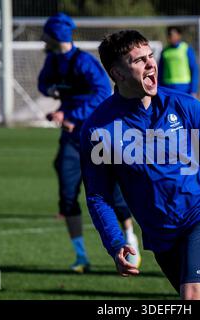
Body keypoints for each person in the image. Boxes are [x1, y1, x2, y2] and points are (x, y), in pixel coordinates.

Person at [79, 30, 200, 300]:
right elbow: (98, 195)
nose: (151, 64)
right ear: (117, 74)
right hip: (162, 239)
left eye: (151, 56)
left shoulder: (184, 108)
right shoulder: (99, 129)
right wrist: (115, 243)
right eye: (139, 60)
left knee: (194, 297)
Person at [37, 13, 141, 273]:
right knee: (67, 194)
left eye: (45, 35)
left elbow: (103, 94)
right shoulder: (52, 61)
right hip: (71, 140)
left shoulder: (84, 62)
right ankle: (81, 256)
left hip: (98, 137)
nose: (42, 39)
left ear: (55, 36)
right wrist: (53, 94)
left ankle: (130, 240)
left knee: (114, 195)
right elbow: (43, 83)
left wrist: (71, 115)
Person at [158, 26, 199, 97]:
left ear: (179, 35)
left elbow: (194, 69)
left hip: (184, 87)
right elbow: (160, 71)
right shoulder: (165, 51)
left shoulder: (186, 49)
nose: (171, 37)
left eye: (173, 34)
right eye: (169, 35)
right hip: (167, 87)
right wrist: (159, 87)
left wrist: (193, 89)